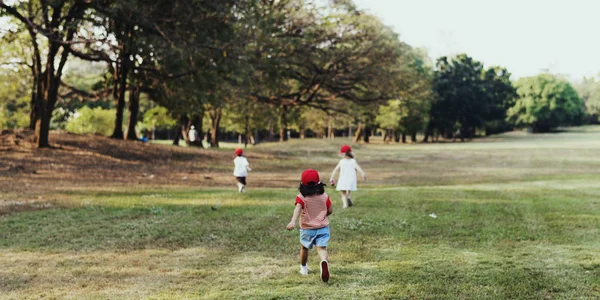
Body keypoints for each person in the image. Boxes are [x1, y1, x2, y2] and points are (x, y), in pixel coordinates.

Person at [286, 169, 332, 282]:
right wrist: (323, 216)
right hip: (323, 227)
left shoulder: (301, 197)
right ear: (319, 183)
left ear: (302, 184)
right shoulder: (324, 196)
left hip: (307, 228)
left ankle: (303, 268)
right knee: (322, 248)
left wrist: (293, 221)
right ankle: (324, 262)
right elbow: (330, 210)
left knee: (304, 247)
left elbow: (298, 208)